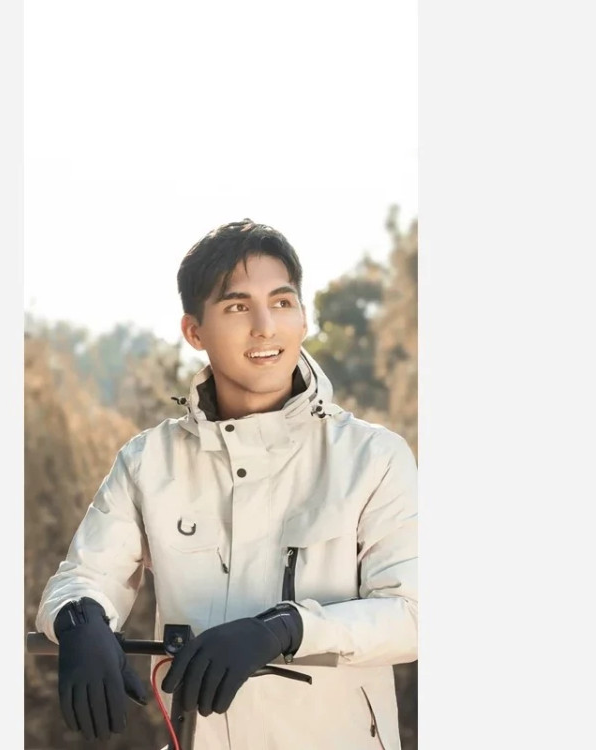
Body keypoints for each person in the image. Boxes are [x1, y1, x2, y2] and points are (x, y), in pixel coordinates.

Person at [35, 219, 418, 750]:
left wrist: (283, 629)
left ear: (304, 317)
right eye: (238, 307)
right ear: (195, 332)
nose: (266, 326)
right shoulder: (150, 461)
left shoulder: (373, 457)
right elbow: (85, 575)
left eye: (282, 302)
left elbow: (411, 615)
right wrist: (79, 620)